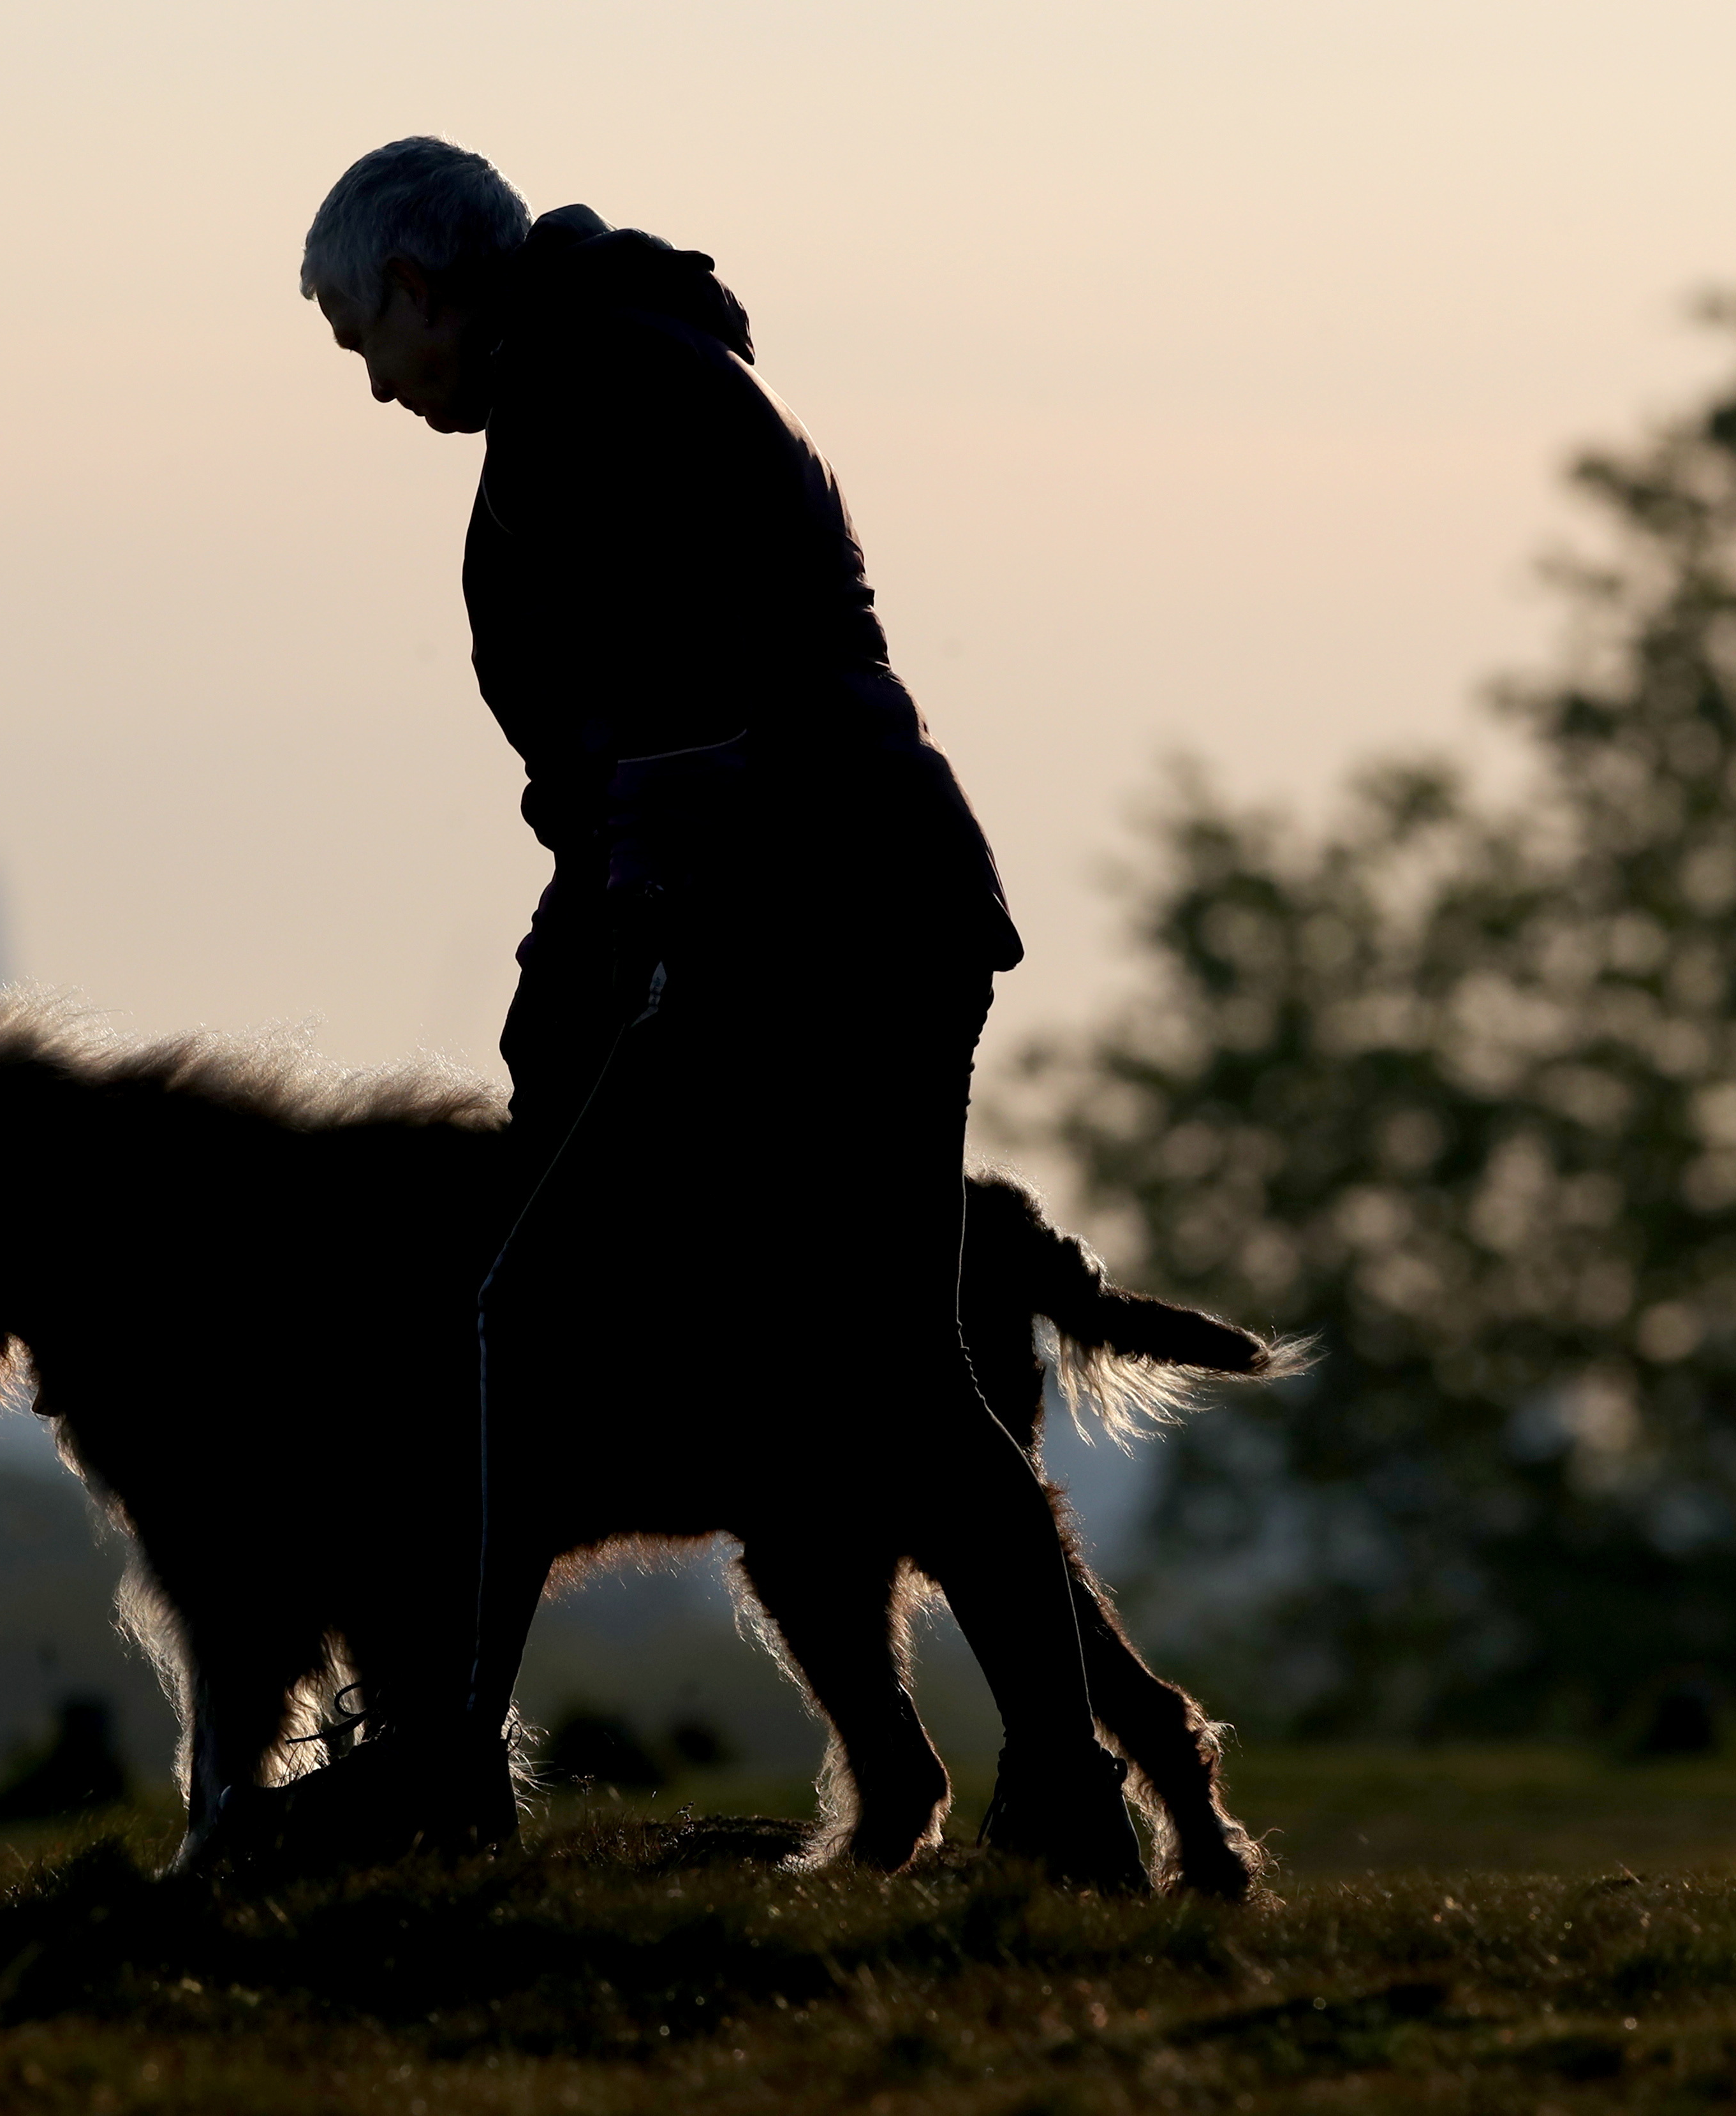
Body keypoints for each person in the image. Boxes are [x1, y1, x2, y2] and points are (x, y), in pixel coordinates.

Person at [291, 136, 1143, 1882]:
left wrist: (634, 951)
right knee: (856, 1371)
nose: (374, 387)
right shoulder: (599, 378)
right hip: (843, 916)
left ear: (418, 288)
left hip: (805, 939)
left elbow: (688, 720)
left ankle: (443, 1777)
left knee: (540, 1325)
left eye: (362, 339)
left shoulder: (592, 395)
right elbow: (626, 751)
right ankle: (1062, 1800)